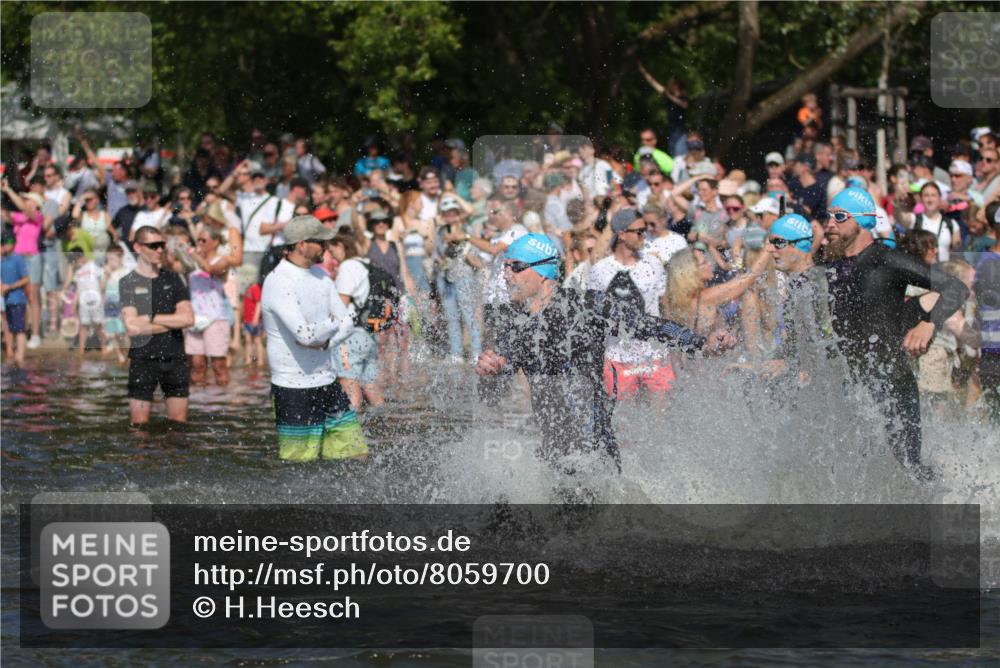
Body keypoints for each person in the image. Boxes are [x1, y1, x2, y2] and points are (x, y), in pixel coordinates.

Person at [475, 233, 727, 476]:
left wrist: (700, 343)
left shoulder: (585, 306)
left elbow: (647, 325)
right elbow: (496, 382)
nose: (506, 274)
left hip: (595, 453)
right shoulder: (518, 325)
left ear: (543, 272)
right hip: (554, 455)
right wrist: (491, 371)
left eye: (515, 266)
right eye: (505, 267)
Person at [823, 187, 969, 481]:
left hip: (892, 383)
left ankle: (948, 502)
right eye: (828, 217)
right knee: (847, 468)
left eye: (839, 217)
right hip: (851, 383)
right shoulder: (831, 265)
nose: (830, 224)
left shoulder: (886, 258)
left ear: (864, 221)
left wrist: (928, 323)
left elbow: (956, 288)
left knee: (908, 468)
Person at [262, 216, 365, 462]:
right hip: (292, 387)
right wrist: (331, 324)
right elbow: (305, 336)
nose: (325, 247)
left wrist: (327, 340)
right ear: (300, 244)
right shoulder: (278, 281)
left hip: (327, 381)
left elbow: (348, 322)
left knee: (355, 456)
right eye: (319, 241)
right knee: (299, 465)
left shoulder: (321, 278)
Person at [589, 208, 675, 400]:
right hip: (618, 357)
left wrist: (672, 344)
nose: (644, 235)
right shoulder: (600, 270)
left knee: (660, 418)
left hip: (654, 354)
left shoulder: (653, 264)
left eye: (644, 230)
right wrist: (599, 357)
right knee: (623, 421)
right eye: (638, 231)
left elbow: (665, 307)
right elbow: (595, 317)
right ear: (621, 234)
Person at [120, 226, 195, 425]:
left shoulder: (173, 279)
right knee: (139, 426)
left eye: (162, 245)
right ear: (137, 247)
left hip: (175, 358)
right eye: (154, 246)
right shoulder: (128, 282)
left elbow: (188, 319)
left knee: (179, 425)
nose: (160, 250)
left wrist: (150, 317)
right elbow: (133, 327)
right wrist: (172, 321)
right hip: (142, 359)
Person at [329, 232, 384, 410]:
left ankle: (352, 429)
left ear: (339, 245)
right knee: (371, 386)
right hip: (369, 335)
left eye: (331, 250)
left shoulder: (348, 266)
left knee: (348, 383)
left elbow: (340, 306)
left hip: (349, 338)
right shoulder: (365, 264)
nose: (331, 256)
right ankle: (385, 426)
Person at [185, 225, 235, 386]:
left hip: (217, 318)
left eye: (203, 240)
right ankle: (200, 403)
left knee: (218, 366)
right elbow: (173, 267)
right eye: (198, 239)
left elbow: (211, 269)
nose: (199, 243)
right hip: (195, 318)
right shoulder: (192, 262)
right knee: (197, 365)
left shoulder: (223, 260)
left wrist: (194, 254)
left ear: (215, 242)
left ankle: (221, 403)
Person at [892, 182, 961, 262]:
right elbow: (900, 217)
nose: (930, 199)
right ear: (921, 199)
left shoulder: (952, 224)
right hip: (920, 270)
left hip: (943, 271)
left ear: (940, 198)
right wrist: (897, 200)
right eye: (926, 195)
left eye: (933, 195)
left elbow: (957, 253)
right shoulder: (915, 220)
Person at [64, 242, 104, 355]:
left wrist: (101, 296)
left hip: (96, 301)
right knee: (83, 325)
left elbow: (101, 281)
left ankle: (104, 347)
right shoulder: (78, 272)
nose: (75, 263)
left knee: (99, 324)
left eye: (76, 260)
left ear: (81, 257)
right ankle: (81, 349)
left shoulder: (92, 265)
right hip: (83, 302)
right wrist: (73, 304)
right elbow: (77, 289)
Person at [1, 230, 29, 365]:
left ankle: (21, 357)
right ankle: (14, 355)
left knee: (19, 329)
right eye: (3, 243)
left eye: (8, 242)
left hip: (18, 299)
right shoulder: (2, 260)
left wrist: (10, 286)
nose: (5, 246)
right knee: (12, 328)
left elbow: (26, 279)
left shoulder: (18, 259)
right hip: (7, 300)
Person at [102, 245, 129, 363]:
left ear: (121, 258)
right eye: (108, 259)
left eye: (113, 259)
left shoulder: (125, 272)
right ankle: (119, 355)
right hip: (109, 305)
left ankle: (128, 354)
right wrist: (106, 275)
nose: (110, 262)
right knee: (112, 332)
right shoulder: (107, 273)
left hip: (122, 305)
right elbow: (101, 288)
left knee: (123, 332)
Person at [242, 277, 265, 367]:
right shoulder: (249, 289)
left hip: (254, 320)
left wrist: (255, 318)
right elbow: (245, 306)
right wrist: (243, 320)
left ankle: (260, 361)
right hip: (247, 320)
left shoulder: (256, 289)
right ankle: (248, 360)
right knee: (248, 341)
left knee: (257, 341)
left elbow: (259, 304)